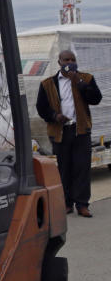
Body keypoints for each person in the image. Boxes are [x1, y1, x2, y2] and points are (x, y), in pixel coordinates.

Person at [35, 50, 103, 217]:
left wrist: (78, 81)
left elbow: (95, 98)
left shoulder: (85, 78)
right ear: (59, 62)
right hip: (60, 131)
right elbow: (41, 107)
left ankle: (82, 204)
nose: (70, 62)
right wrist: (55, 116)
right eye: (66, 59)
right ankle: (66, 203)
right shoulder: (47, 84)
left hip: (81, 131)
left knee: (82, 169)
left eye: (73, 59)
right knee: (64, 169)